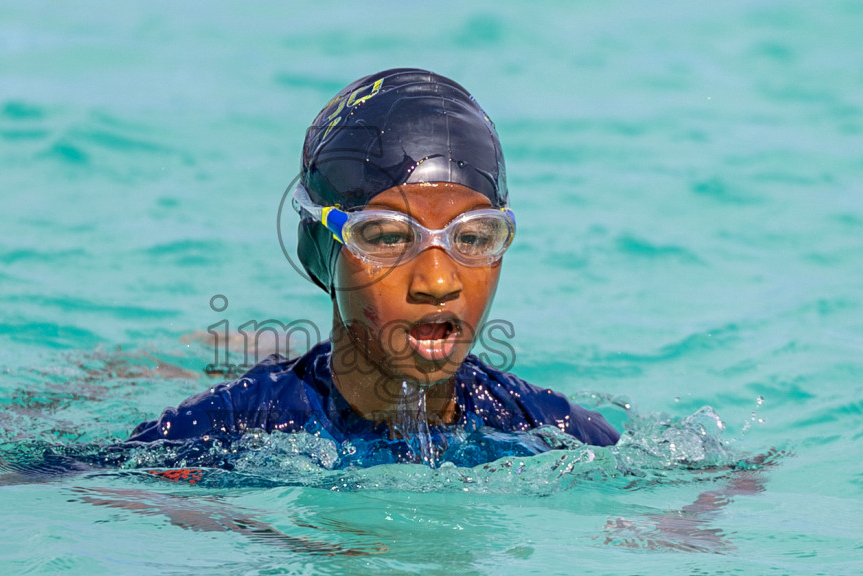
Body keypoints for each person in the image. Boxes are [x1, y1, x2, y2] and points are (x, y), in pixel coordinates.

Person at [122, 68, 621, 470]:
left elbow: (688, 493)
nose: (439, 282)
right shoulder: (228, 429)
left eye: (472, 237)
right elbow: (75, 486)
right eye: (387, 237)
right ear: (321, 250)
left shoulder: (547, 431)